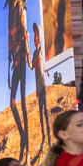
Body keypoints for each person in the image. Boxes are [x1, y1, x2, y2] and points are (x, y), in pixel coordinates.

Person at [6, 0, 31, 161]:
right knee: (12, 102)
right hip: (15, 63)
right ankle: (23, 134)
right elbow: (10, 38)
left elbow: (24, 33)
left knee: (21, 101)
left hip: (22, 61)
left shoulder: (20, 8)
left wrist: (29, 57)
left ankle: (27, 142)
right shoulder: (10, 13)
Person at [31, 22, 50, 157]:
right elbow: (32, 66)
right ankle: (44, 140)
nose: (34, 37)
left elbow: (44, 63)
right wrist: (27, 54)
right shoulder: (34, 53)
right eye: (34, 35)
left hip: (43, 85)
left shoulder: (42, 49)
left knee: (46, 113)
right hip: (38, 88)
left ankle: (49, 140)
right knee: (41, 115)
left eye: (36, 35)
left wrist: (47, 69)